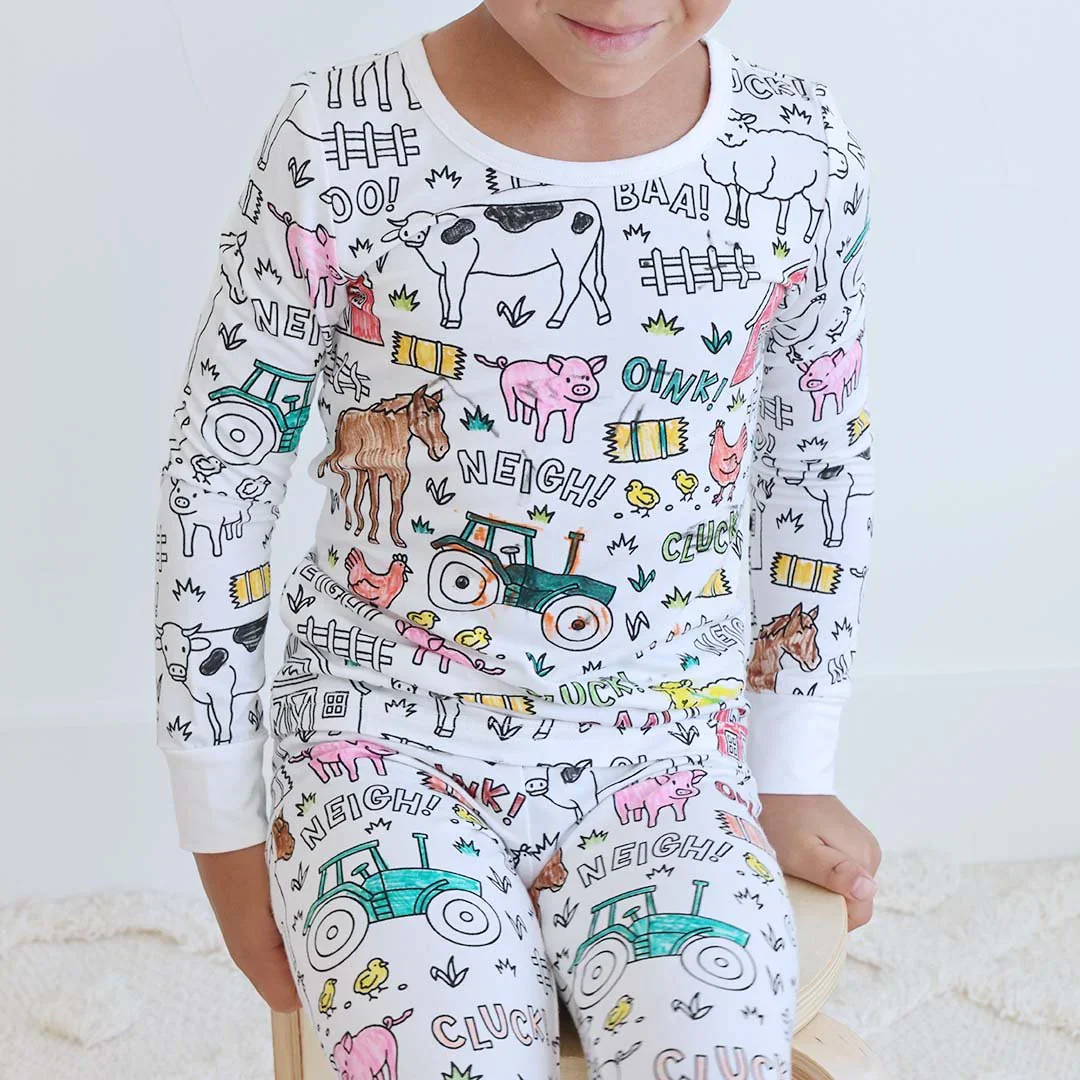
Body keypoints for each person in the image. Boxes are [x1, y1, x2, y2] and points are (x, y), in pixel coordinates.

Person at [153, 3, 881, 1075]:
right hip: (378, 751)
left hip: (670, 757)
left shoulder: (800, 153)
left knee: (714, 1042)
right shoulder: (336, 135)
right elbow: (221, 472)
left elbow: (817, 461)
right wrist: (219, 814)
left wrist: (792, 762)